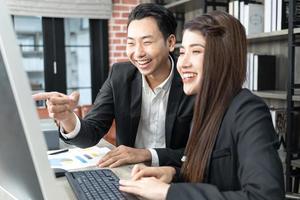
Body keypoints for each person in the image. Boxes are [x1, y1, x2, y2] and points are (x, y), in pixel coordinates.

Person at [118, 11, 285, 200]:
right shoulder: (204, 107)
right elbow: (211, 175)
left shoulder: (249, 111)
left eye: (196, 51)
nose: (183, 63)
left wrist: (168, 192)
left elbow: (266, 196)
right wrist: (173, 174)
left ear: (222, 57)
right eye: (182, 52)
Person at [32, 3, 194, 168]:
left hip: (176, 178)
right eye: (131, 43)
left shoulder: (192, 81)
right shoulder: (120, 76)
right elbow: (92, 132)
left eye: (147, 42)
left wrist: (146, 154)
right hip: (128, 174)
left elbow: (200, 154)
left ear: (171, 42)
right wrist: (67, 118)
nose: (138, 53)